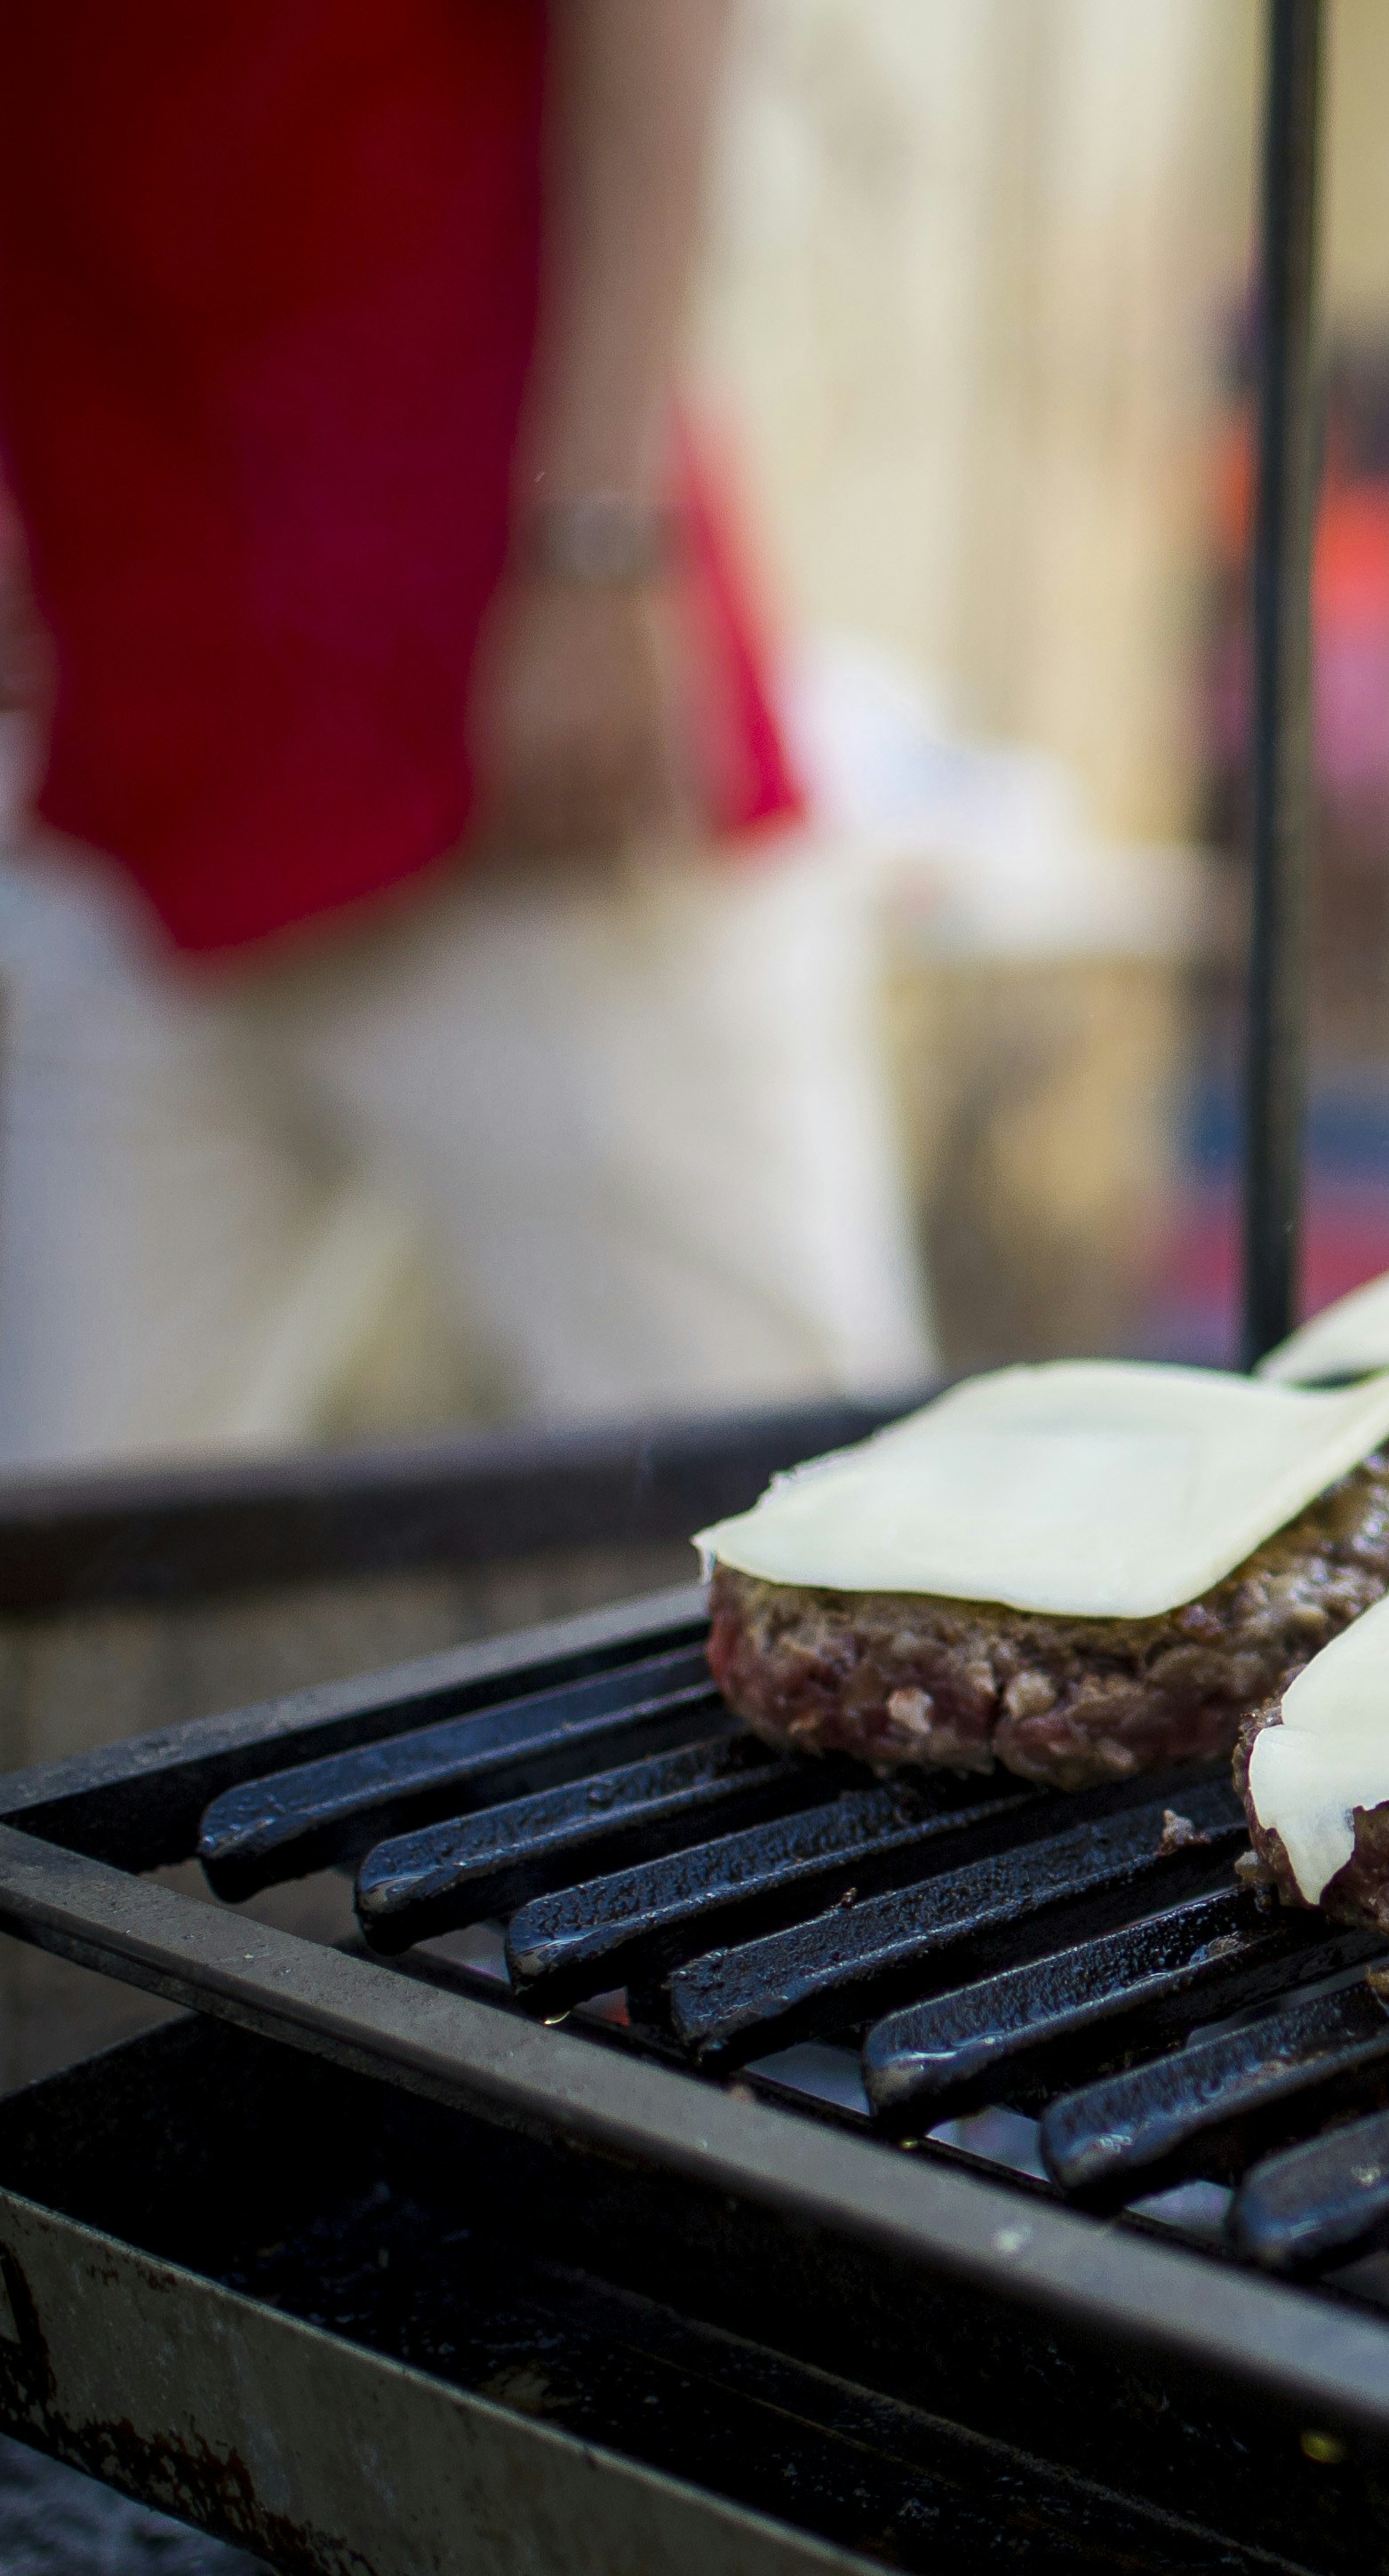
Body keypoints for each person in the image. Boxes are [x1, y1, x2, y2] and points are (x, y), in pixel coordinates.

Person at [0, 1, 931, 1474]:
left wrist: (604, 536)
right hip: (131, 745)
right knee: (58, 1579)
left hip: (508, 731)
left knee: (804, 1535)